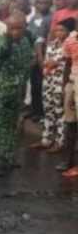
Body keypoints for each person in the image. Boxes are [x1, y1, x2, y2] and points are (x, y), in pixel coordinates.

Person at [0, 13, 35, 177]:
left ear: (25, 26)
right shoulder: (3, 42)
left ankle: (7, 155)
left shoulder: (26, 42)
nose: (15, 32)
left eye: (19, 28)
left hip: (17, 91)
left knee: (11, 125)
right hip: (0, 90)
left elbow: (28, 63)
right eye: (12, 28)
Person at [31, 17, 73, 153]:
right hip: (49, 80)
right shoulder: (52, 44)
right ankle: (47, 139)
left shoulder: (72, 44)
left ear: (69, 31)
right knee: (48, 110)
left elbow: (68, 63)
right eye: (57, 30)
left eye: (62, 30)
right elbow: (47, 61)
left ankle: (60, 142)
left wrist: (55, 61)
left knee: (60, 112)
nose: (58, 33)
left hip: (61, 81)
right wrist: (47, 64)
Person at [59, 25, 78, 177]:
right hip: (72, 84)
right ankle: (69, 160)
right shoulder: (70, 41)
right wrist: (63, 89)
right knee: (70, 124)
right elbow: (67, 65)